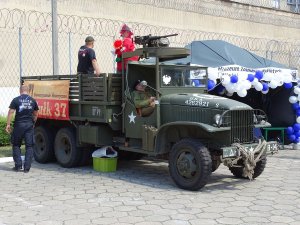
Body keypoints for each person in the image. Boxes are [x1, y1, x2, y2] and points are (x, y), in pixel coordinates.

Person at [5, 85, 39, 173]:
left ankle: (18, 166)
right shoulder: (32, 100)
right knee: (29, 146)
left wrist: (8, 124)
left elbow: (11, 112)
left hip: (18, 126)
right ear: (28, 91)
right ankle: (27, 168)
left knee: (16, 145)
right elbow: (35, 114)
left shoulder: (16, 100)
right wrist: (33, 123)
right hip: (29, 126)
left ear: (20, 90)